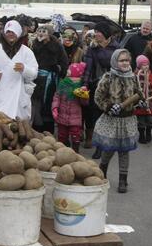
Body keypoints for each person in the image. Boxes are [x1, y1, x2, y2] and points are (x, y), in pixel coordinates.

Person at [91, 48, 144, 194]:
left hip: (127, 120)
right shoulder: (108, 77)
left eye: (127, 60)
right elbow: (98, 97)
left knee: (124, 151)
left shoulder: (133, 77)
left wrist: (141, 102)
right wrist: (108, 107)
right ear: (115, 61)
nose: (125, 63)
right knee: (109, 148)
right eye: (122, 60)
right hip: (112, 120)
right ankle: (102, 170)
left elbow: (138, 94)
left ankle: (123, 180)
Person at [0, 20, 38, 119]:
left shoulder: (27, 52)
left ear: (19, 34)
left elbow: (34, 73)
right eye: (8, 32)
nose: (10, 34)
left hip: (18, 96)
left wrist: (24, 69)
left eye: (13, 32)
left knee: (18, 127)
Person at [82, 22, 119, 157]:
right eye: (95, 32)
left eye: (98, 32)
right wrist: (84, 84)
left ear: (105, 34)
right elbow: (88, 68)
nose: (95, 34)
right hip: (96, 85)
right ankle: (99, 147)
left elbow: (121, 67)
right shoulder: (92, 48)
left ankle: (107, 143)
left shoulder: (116, 48)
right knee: (96, 117)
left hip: (111, 87)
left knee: (108, 115)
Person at [31, 24, 69, 133]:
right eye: (39, 31)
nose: (41, 33)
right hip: (36, 79)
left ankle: (48, 132)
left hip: (50, 81)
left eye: (44, 31)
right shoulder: (34, 45)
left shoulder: (56, 45)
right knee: (36, 105)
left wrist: (59, 69)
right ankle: (36, 131)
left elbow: (64, 61)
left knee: (48, 104)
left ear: (50, 34)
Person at [52, 62, 87, 151]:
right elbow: (57, 96)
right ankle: (63, 150)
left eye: (69, 70)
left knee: (75, 134)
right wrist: (55, 107)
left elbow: (84, 103)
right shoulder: (62, 83)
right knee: (62, 134)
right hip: (62, 115)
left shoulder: (81, 86)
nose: (67, 71)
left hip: (75, 117)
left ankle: (75, 151)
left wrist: (83, 95)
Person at [133, 55, 152, 144]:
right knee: (140, 122)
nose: (146, 67)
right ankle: (141, 135)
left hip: (150, 102)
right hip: (139, 103)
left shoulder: (151, 76)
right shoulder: (135, 77)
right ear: (138, 66)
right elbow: (132, 89)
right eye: (143, 65)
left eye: (147, 65)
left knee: (151, 121)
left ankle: (148, 132)